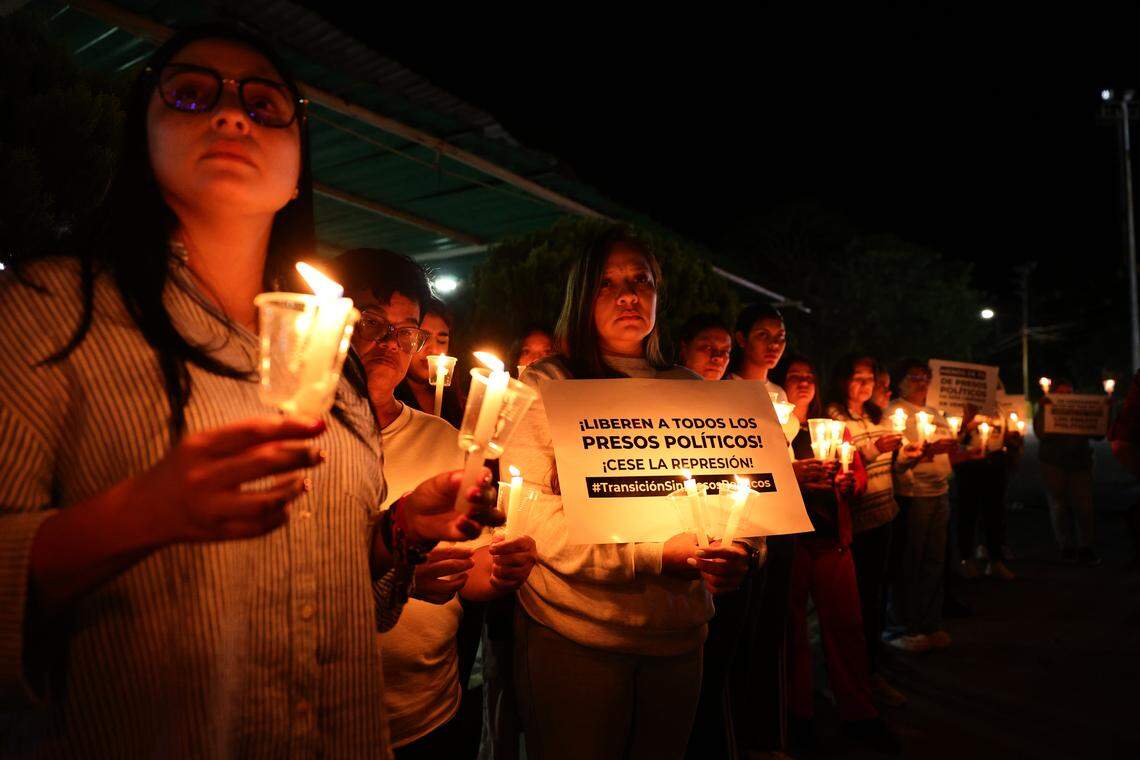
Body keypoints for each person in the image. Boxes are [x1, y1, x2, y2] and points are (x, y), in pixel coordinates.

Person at [0, 26, 496, 757]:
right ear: (143, 135)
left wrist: (399, 533)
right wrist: (138, 514)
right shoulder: (51, 311)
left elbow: (329, 578)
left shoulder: (336, 369)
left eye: (264, 104)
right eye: (192, 94)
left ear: (297, 169)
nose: (232, 116)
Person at [502, 225, 753, 760]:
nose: (629, 295)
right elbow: (526, 516)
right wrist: (655, 554)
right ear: (581, 296)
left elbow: (738, 498)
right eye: (608, 283)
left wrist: (740, 550)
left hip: (681, 640)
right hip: (575, 634)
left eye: (641, 280)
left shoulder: (690, 389)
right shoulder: (545, 385)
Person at [332, 248, 539, 757]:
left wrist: (502, 569)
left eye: (407, 331)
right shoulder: (294, 434)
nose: (388, 343)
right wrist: (396, 574)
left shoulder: (446, 440)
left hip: (426, 706)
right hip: (323, 710)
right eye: (370, 321)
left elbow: (471, 572)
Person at [783, 356, 898, 754]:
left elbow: (857, 483)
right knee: (792, 633)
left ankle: (858, 712)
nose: (803, 383)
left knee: (846, 628)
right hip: (793, 543)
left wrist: (849, 481)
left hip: (833, 539)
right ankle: (798, 716)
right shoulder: (770, 432)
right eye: (794, 377)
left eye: (809, 377)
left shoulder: (835, 431)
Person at [826, 355, 916, 707]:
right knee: (859, 601)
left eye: (869, 379)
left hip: (886, 514)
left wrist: (910, 454)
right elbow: (842, 460)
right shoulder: (834, 417)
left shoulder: (873, 415)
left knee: (877, 594)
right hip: (859, 521)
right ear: (842, 379)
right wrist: (874, 448)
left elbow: (890, 462)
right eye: (856, 377)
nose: (865, 385)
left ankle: (874, 661)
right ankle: (860, 673)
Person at [883, 359, 959, 654]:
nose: (921, 382)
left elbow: (947, 447)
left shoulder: (934, 412)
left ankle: (929, 623)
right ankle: (902, 626)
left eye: (925, 377)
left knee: (933, 561)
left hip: (940, 491)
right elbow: (897, 459)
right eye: (913, 377)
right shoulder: (895, 414)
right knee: (909, 562)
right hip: (913, 495)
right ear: (900, 382)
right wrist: (921, 453)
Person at [1036, 379, 1101, 566]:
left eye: (1069, 393)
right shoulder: (1046, 409)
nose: (1065, 397)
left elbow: (1098, 434)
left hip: (1080, 464)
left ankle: (1086, 547)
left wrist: (1105, 410)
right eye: (1061, 394)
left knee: (1085, 507)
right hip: (1053, 464)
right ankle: (1066, 546)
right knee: (1058, 506)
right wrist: (1043, 410)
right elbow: (1041, 433)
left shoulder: (1082, 411)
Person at [397, 297, 464, 427]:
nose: (434, 349)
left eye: (442, 341)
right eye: (423, 338)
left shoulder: (457, 403)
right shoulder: (388, 397)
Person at [731, 302, 789, 401]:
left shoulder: (779, 395)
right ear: (741, 339)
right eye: (763, 335)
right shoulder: (725, 388)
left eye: (780, 336)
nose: (774, 344)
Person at [677, 314, 733, 381]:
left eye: (726, 351)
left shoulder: (737, 390)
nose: (719, 357)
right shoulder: (664, 387)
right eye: (707, 348)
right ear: (684, 350)